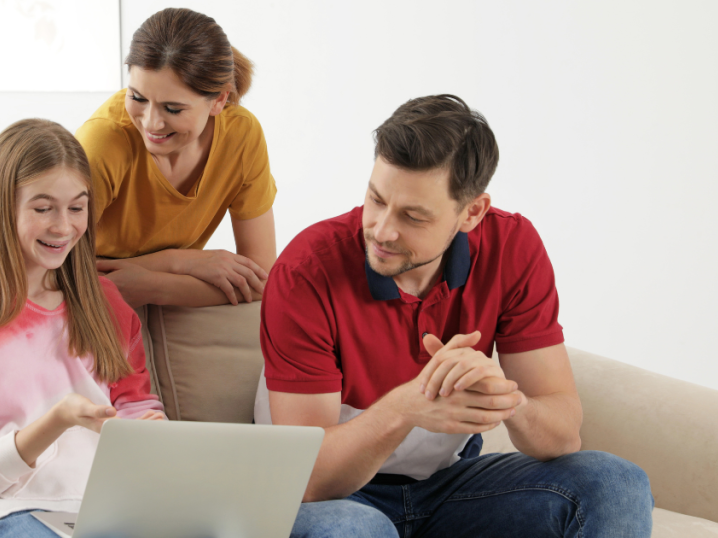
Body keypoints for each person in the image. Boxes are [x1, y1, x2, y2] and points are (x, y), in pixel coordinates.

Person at [255, 95, 653, 537]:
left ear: (472, 212)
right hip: (334, 498)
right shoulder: (307, 271)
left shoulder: (512, 248)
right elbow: (308, 478)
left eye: (413, 216)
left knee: (615, 483)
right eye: (376, 199)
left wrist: (508, 401)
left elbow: (563, 437)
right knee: (355, 529)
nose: (382, 230)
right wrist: (408, 406)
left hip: (448, 489)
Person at [0, 119, 165, 538]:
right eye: (43, 209)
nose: (63, 227)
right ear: (0, 209)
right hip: (14, 512)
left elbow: (137, 411)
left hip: (113, 508)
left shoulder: (104, 304)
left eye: (77, 208)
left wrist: (155, 437)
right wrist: (57, 420)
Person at [76, 7, 277, 308]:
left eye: (172, 109)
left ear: (219, 100)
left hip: (164, 294)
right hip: (90, 298)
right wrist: (180, 262)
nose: (150, 123)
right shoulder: (102, 143)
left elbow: (259, 279)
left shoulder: (241, 135)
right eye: (137, 97)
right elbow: (49, 271)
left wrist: (153, 285)